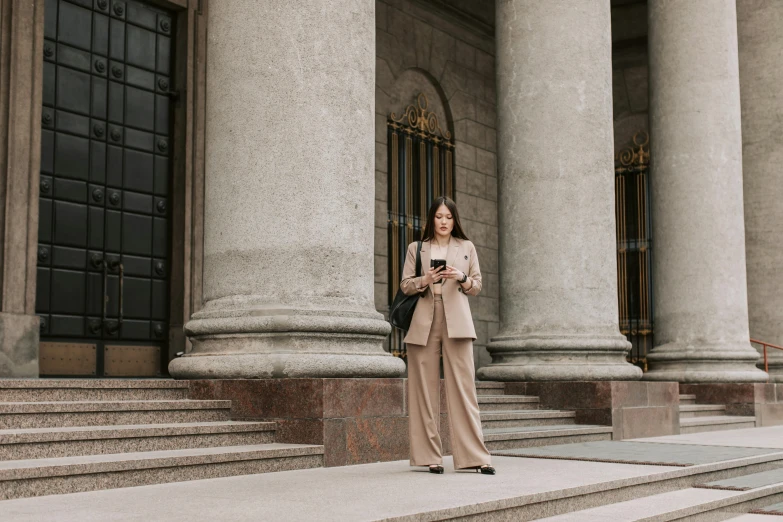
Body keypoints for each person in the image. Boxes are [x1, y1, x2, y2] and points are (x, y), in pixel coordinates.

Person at [399, 196, 495, 475]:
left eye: (448, 217)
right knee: (423, 392)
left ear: (455, 220)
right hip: (423, 321)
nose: (443, 222)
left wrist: (460, 277)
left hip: (458, 321)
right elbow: (405, 285)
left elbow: (476, 285)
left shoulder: (467, 247)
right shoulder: (417, 248)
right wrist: (425, 280)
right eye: (439, 217)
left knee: (464, 389)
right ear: (432, 219)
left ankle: (475, 457)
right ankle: (430, 457)